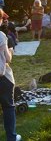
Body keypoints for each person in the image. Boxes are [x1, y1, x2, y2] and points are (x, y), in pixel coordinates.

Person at [0, 9, 22, 141]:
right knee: (8, 107)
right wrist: (10, 50)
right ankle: (11, 137)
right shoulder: (1, 36)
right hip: (2, 78)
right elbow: (8, 59)